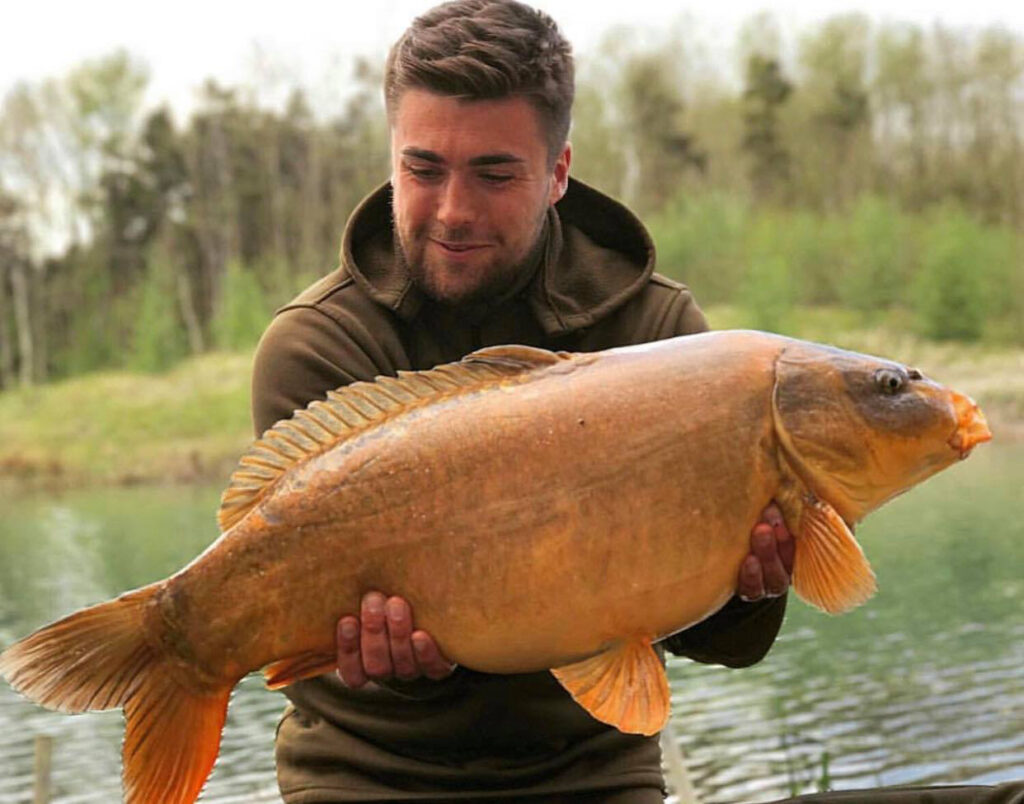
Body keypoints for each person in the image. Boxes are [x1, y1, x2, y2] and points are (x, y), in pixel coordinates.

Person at [249, 2, 1020, 803]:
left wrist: (756, 589)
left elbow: (726, 644)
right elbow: (316, 655)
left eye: (494, 173)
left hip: (592, 767)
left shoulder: (659, 334)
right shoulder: (316, 346)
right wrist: (399, 663)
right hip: (369, 769)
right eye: (423, 169)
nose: (452, 210)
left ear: (557, 173)